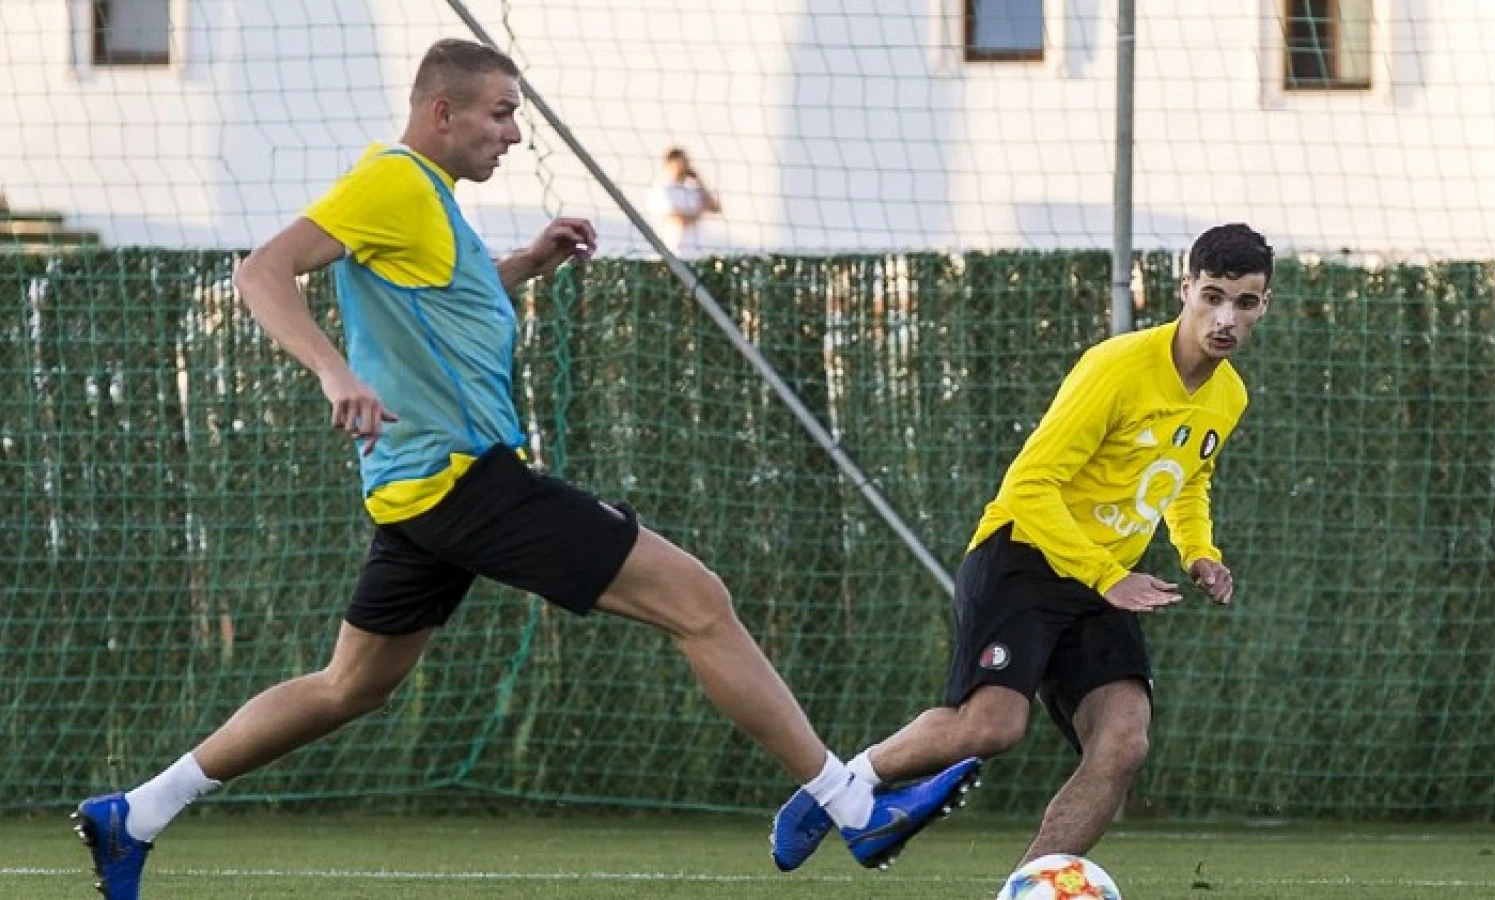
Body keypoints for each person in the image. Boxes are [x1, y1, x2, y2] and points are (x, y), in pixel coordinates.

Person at [72, 38, 975, 900]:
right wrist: (333, 371)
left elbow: (444, 306)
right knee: (700, 602)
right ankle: (851, 805)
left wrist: (527, 263)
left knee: (352, 686)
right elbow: (262, 271)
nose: (513, 132)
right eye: (502, 114)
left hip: (424, 491)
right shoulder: (391, 180)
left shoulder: (428, 201)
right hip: (467, 481)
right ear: (441, 111)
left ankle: (136, 814)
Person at [771, 223, 1273, 872]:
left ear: (1265, 305)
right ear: (1184, 290)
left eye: (1245, 302)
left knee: (1122, 745)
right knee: (993, 726)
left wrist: (1199, 551)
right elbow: (1029, 484)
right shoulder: (1116, 366)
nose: (1225, 317)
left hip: (1100, 580)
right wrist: (1105, 575)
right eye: (1212, 296)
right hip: (1026, 555)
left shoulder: (1229, 394)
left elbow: (1187, 477)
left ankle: (1027, 890)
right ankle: (839, 790)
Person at [647, 146, 720, 258]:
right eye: (682, 162)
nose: (685, 166)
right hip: (672, 253)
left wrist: (700, 181)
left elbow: (715, 208)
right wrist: (700, 212)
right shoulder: (662, 189)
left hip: (696, 253)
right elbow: (678, 219)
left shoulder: (691, 188)